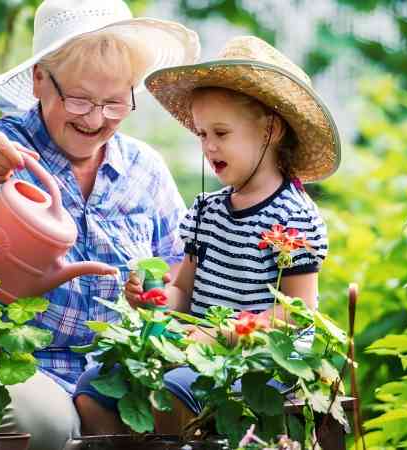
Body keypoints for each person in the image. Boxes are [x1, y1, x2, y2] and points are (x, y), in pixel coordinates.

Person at [0, 1, 200, 449]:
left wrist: (156, 294)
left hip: (102, 375)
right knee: (47, 425)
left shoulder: (144, 170)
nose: (96, 119)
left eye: (116, 102)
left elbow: (180, 274)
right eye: (79, 99)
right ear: (41, 78)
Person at [73, 35, 341, 435]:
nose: (208, 146)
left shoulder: (294, 217)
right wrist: (155, 300)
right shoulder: (206, 211)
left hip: (258, 362)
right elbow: (184, 289)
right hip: (195, 352)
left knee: (170, 392)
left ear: (270, 130)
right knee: (93, 386)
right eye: (201, 134)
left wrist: (225, 333)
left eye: (221, 133)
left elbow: (296, 315)